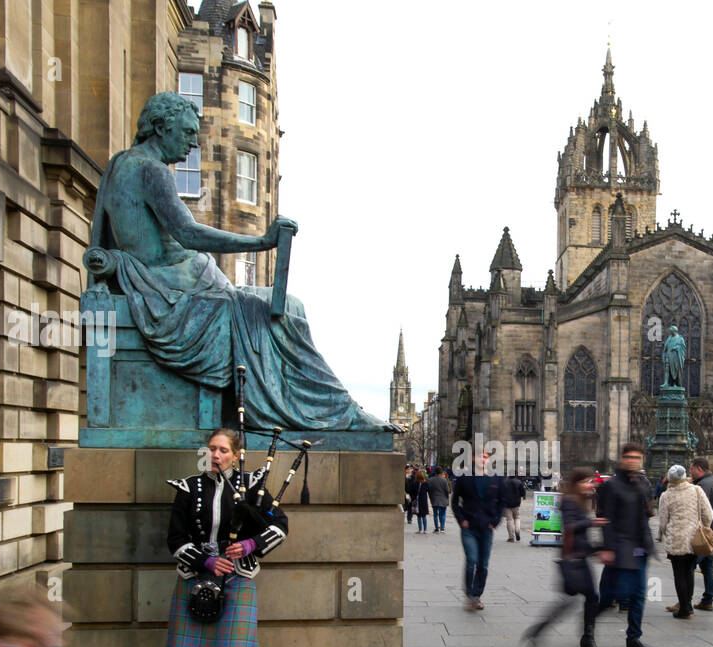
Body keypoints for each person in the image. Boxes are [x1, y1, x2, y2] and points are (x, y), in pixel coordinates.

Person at [87, 92, 395, 433]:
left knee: (287, 309)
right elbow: (188, 233)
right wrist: (262, 241)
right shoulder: (151, 171)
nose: (193, 142)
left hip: (177, 286)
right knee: (287, 312)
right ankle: (337, 413)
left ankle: (338, 410)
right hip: (175, 292)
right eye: (188, 132)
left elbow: (99, 235)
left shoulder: (118, 164)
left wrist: (102, 279)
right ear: (160, 128)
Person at [166, 427, 288, 647]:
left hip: (236, 579)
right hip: (198, 579)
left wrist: (251, 543)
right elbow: (175, 539)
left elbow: (280, 527)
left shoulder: (252, 490)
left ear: (235, 455)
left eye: (222, 450)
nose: (215, 455)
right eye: (211, 449)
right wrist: (206, 560)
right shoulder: (189, 488)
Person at [522, 468, 612, 647]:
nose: (591, 485)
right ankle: (581, 637)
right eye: (587, 481)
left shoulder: (579, 502)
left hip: (579, 558)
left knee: (585, 599)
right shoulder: (570, 501)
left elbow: (580, 535)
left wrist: (596, 550)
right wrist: (592, 523)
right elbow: (571, 527)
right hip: (573, 561)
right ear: (577, 484)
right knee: (578, 601)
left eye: (591, 482)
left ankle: (586, 637)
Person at [597, 443, 658, 647]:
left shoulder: (642, 483)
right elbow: (604, 518)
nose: (633, 460)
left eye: (637, 458)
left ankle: (633, 637)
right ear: (622, 459)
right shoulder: (611, 486)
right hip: (618, 550)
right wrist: (607, 548)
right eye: (629, 457)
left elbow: (645, 514)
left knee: (638, 596)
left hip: (640, 549)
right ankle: (587, 629)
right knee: (608, 599)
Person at [658, 464, 713, 619]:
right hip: (694, 539)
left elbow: (662, 522)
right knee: (689, 572)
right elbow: (708, 514)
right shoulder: (696, 490)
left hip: (676, 540)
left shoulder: (666, 495)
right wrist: (704, 527)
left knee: (679, 574)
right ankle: (688, 606)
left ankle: (684, 608)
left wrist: (665, 533)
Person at [452, 449, 504, 610]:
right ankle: (470, 594)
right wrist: (461, 520)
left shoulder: (496, 478)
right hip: (469, 527)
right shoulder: (464, 477)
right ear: (473, 458)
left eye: (487, 457)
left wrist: (495, 522)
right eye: (481, 456)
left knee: (484, 564)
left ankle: (477, 595)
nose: (484, 459)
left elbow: (501, 502)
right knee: (472, 560)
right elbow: (454, 501)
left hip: (486, 527)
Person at [690, 458, 713, 611]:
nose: (690, 472)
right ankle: (708, 599)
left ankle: (684, 600)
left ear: (699, 469)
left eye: (692, 469)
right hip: (712, 533)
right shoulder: (712, 482)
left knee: (688, 566)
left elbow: (697, 509)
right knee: (707, 567)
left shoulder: (703, 485)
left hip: (703, 534)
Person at [503, 471, 526, 542]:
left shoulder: (504, 482)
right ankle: (517, 530)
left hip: (507, 504)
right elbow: (522, 493)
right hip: (516, 503)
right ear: (516, 475)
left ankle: (511, 537)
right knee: (517, 517)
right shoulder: (519, 482)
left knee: (509, 520)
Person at [427, 466, 451, 533]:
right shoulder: (444, 480)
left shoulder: (430, 480)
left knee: (435, 514)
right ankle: (442, 528)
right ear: (441, 472)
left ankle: (437, 528)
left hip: (434, 499)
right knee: (443, 514)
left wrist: (431, 496)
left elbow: (428, 490)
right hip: (443, 499)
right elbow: (447, 490)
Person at [414, 469, 430, 533]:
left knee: (419, 516)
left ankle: (420, 529)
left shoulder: (415, 483)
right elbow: (429, 490)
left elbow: (412, 491)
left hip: (417, 501)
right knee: (424, 516)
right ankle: (425, 530)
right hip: (424, 500)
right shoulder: (426, 483)